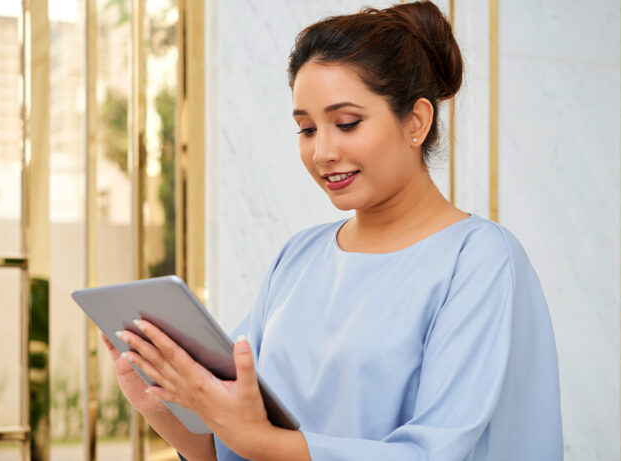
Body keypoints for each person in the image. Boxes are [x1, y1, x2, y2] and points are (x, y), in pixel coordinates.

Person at [103, 1, 564, 460]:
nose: (322, 151)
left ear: (416, 122)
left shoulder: (478, 259)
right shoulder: (298, 258)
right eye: (306, 129)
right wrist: (165, 409)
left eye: (346, 123)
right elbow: (230, 450)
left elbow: (436, 451)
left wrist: (260, 440)